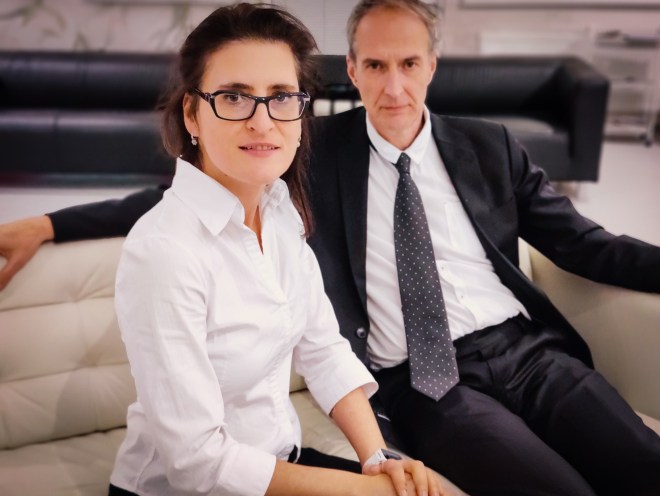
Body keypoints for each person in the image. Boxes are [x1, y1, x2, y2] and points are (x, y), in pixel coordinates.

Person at [1, 0, 659, 495]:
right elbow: (183, 195)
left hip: (526, 352)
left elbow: (587, 245)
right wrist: (49, 224)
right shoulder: (302, 163)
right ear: (352, 70)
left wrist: (375, 459)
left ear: (432, 66)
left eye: (409, 64)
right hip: (425, 382)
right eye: (375, 65)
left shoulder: (475, 149)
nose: (393, 87)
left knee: (641, 464)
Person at [35, 3, 442, 496]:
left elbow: (324, 351)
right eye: (233, 97)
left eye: (281, 97)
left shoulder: (282, 213)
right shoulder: (164, 251)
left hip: (277, 464)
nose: (262, 121)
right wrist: (362, 492)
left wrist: (378, 461)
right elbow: (196, 462)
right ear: (192, 114)